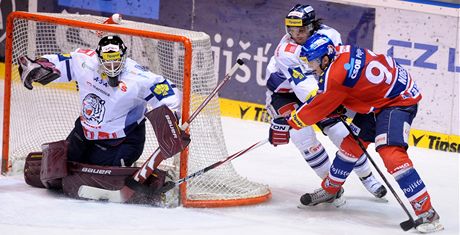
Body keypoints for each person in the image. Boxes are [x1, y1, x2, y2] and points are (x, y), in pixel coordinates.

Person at [285, 33, 443, 232]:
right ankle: (330, 190)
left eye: (313, 62)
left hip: (398, 101)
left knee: (391, 155)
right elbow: (351, 86)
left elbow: (317, 108)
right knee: (350, 146)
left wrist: (291, 121)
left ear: (325, 58)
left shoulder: (335, 74)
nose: (311, 67)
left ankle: (428, 213)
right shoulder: (341, 52)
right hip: (379, 98)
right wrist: (339, 102)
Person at [265, 4, 386, 202]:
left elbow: (336, 69)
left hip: (321, 89)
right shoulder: (285, 52)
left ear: (312, 26)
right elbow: (302, 86)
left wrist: (332, 98)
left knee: (340, 132)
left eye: (301, 30)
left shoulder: (331, 35)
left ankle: (368, 177)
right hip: (285, 93)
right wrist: (326, 102)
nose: (296, 35)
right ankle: (330, 186)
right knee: (300, 134)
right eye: (291, 30)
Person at [18, 35, 183, 167]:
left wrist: (172, 115)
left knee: (99, 176)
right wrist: (38, 66)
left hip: (121, 141)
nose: (111, 65)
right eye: (107, 60)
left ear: (124, 57)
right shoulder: (85, 61)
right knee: (61, 169)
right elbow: (60, 62)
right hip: (85, 131)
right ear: (98, 57)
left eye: (116, 60)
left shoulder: (138, 76)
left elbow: (165, 89)